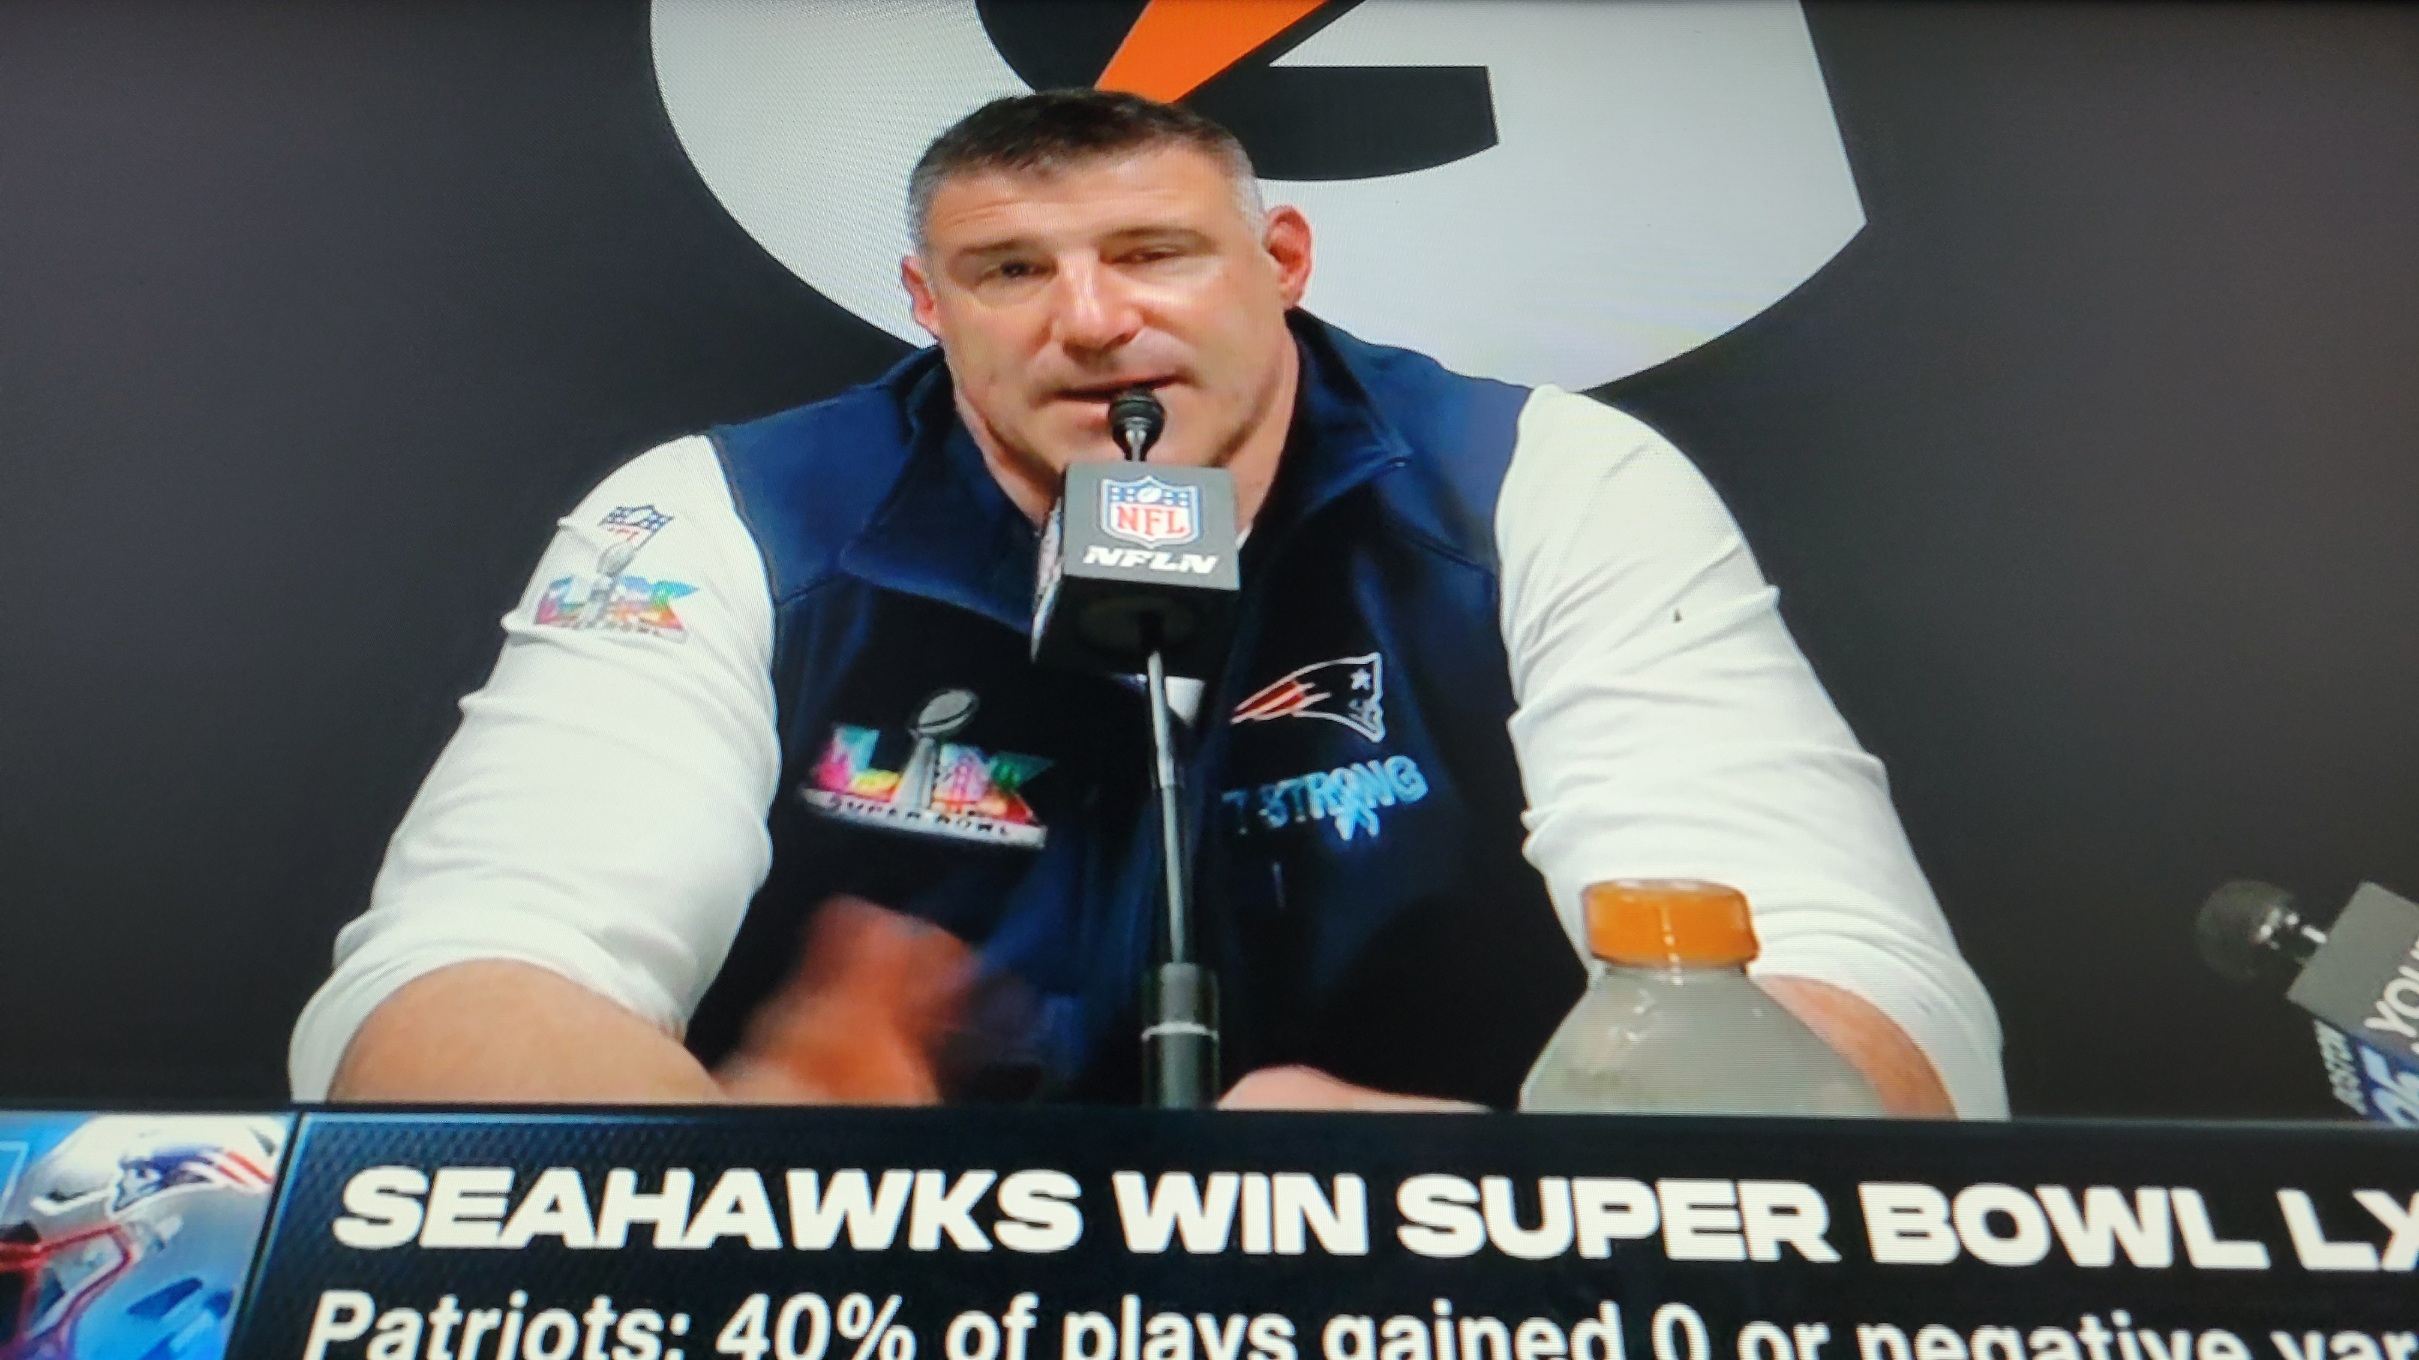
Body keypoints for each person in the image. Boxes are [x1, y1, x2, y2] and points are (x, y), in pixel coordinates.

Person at [290, 91, 2005, 1116]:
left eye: (1156, 254)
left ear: (1283, 264)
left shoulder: (1541, 479)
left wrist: (1474, 1209)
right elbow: (452, 979)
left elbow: (1857, 1005)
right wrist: (757, 1192)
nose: (1093, 323)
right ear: (926, 303)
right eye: (1010, 271)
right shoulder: (725, 511)